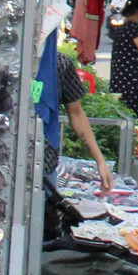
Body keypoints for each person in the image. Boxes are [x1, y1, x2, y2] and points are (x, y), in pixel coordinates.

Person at [44, 53, 115, 194]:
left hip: (45, 164)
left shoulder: (59, 63)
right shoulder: (9, 63)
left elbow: (76, 113)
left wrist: (100, 161)